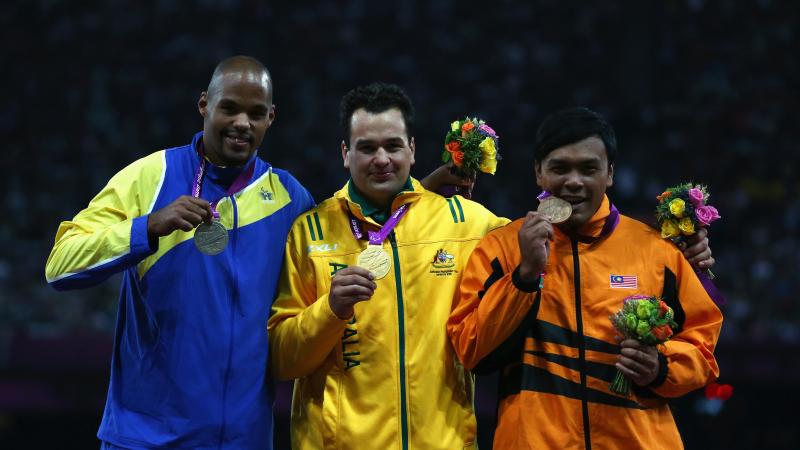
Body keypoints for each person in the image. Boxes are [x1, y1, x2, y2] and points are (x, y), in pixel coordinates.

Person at [44, 56, 314, 449]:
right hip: (145, 440)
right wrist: (146, 227)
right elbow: (60, 265)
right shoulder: (152, 176)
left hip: (245, 440)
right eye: (229, 108)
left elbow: (349, 253)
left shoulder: (290, 198)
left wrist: (416, 200)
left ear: (271, 117)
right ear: (204, 104)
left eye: (256, 113)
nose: (242, 123)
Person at [446, 107, 723, 449]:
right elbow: (471, 350)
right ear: (539, 173)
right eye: (560, 168)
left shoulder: (657, 252)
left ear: (609, 174)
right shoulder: (502, 247)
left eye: (588, 169)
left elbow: (703, 350)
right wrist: (524, 277)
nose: (574, 181)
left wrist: (661, 367)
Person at [267, 82, 509, 449]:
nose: (381, 159)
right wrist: (330, 311)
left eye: (393, 145)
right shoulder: (309, 233)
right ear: (345, 154)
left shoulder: (465, 223)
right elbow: (282, 359)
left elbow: (539, 254)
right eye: (367, 148)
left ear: (412, 150)